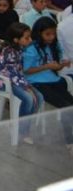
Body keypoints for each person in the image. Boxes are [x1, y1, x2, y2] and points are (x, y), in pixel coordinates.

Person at [0, 23, 43, 141]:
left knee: (39, 97)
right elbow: (7, 73)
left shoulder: (19, 48)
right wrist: (25, 86)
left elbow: (18, 71)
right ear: (16, 40)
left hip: (16, 79)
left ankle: (22, 125)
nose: (30, 40)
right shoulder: (7, 51)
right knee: (28, 98)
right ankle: (21, 131)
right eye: (27, 38)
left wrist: (26, 85)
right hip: (2, 81)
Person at [23, 17, 73, 149]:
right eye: (48, 34)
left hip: (54, 80)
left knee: (70, 105)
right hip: (37, 83)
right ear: (39, 33)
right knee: (66, 107)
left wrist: (62, 64)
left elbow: (56, 66)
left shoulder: (54, 45)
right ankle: (70, 141)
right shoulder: (31, 48)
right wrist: (47, 66)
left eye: (53, 34)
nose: (52, 37)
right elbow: (26, 70)